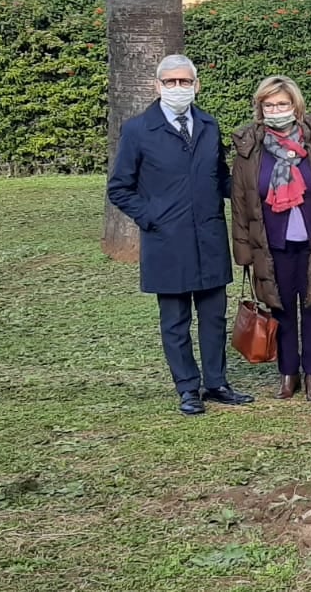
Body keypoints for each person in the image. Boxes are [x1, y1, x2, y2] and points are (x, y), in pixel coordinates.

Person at [107, 55, 254, 416]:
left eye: (184, 82)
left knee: (214, 316)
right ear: (157, 86)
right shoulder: (139, 130)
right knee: (175, 321)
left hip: (208, 237)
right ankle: (188, 388)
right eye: (170, 82)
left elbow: (219, 177)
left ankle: (217, 382)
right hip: (166, 241)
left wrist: (250, 183)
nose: (178, 88)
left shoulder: (207, 124)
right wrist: (152, 217)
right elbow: (119, 187)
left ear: (196, 85)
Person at [230, 76, 311, 402]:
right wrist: (244, 251)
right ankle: (289, 374)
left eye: (282, 104)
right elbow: (241, 201)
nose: (276, 110)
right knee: (280, 308)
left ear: (295, 106)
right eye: (269, 105)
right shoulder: (250, 148)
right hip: (272, 243)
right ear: (260, 109)